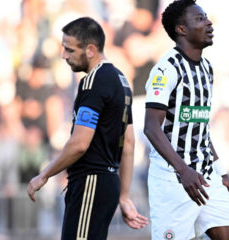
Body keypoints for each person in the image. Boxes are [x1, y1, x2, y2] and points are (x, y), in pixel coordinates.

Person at [27, 17, 148, 239]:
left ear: (90, 50)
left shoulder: (93, 82)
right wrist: (124, 195)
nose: (64, 55)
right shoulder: (120, 79)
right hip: (107, 183)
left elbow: (80, 144)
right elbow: (128, 143)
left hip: (90, 182)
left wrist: (44, 175)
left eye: (69, 49)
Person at [143, 1, 229, 239]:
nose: (208, 22)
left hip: (206, 178)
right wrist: (183, 170)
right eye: (200, 19)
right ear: (181, 29)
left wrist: (221, 173)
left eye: (206, 18)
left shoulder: (207, 69)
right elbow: (151, 127)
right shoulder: (166, 69)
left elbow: (199, 129)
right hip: (173, 181)